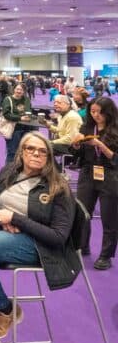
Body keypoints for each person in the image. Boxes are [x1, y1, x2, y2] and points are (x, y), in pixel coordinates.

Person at [0, 132, 77, 343]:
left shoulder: (59, 187)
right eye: (30, 148)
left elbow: (58, 237)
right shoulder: (10, 171)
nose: (36, 153)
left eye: (42, 151)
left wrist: (16, 218)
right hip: (4, 223)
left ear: (49, 155)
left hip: (38, 243)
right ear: (22, 151)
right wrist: (3, 215)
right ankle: (1, 309)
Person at [72, 97, 118, 270]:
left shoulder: (115, 129)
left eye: (99, 112)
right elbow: (76, 154)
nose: (95, 115)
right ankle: (82, 246)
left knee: (109, 218)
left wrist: (100, 145)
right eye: (92, 111)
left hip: (111, 174)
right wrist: (76, 146)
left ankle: (106, 255)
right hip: (88, 172)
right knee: (83, 213)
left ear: (109, 112)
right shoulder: (86, 127)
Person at [0, 82, 33, 164]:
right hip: (13, 129)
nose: (19, 91)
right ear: (14, 89)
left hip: (26, 128)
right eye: (17, 89)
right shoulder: (8, 99)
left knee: (24, 152)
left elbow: (29, 109)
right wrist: (20, 117)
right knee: (12, 152)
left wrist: (28, 115)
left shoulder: (26, 99)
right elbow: (6, 114)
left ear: (24, 91)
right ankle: (8, 173)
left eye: (21, 90)